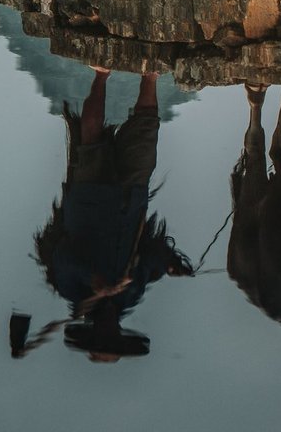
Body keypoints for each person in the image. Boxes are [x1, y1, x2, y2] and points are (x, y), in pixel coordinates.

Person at [21, 66, 193, 363]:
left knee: (91, 135)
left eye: (102, 337)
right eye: (113, 337)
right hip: (130, 202)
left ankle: (101, 74)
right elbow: (146, 258)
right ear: (120, 332)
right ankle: (149, 74)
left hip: (90, 202)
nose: (109, 331)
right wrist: (169, 264)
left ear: (93, 332)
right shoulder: (130, 296)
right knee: (146, 131)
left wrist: (94, 279)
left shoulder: (72, 291)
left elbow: (65, 257)